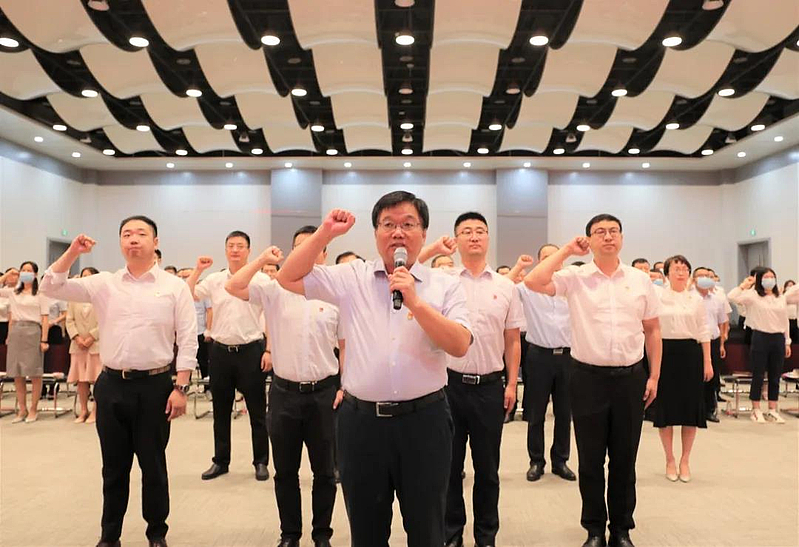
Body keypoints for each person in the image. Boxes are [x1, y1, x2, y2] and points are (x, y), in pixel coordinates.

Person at [276, 191, 473, 547]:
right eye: (388, 224)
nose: (398, 232)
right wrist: (325, 233)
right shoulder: (353, 276)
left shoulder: (445, 284)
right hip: (362, 424)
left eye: (408, 224)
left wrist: (415, 302)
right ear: (376, 233)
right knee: (366, 531)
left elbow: (459, 344)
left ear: (424, 233)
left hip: (425, 423)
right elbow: (287, 277)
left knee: (428, 529)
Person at [40, 216, 197, 547]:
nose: (133, 239)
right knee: (113, 468)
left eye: (141, 234)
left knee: (153, 466)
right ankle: (110, 536)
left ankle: (157, 533)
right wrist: (73, 252)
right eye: (126, 234)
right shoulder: (104, 283)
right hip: (111, 385)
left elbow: (187, 339)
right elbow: (50, 286)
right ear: (120, 243)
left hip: (155, 387)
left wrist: (181, 387)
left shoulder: (174, 287)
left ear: (155, 242)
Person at [524, 214, 662, 547]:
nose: (608, 236)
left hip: (630, 377)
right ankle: (595, 529)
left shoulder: (639, 280)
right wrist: (566, 251)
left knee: (625, 459)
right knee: (590, 459)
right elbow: (534, 281)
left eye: (614, 231)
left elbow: (653, 329)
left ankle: (622, 529)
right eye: (600, 232)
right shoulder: (576, 276)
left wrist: (655, 375)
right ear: (590, 240)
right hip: (587, 378)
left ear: (622, 238)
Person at [226, 225, 341, 547]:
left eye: (314, 245)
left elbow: (346, 345)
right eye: (300, 246)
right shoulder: (273, 289)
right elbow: (233, 285)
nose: (307, 251)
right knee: (286, 471)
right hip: (284, 394)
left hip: (324, 393)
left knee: (324, 472)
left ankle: (321, 534)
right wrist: (262, 258)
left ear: (324, 253)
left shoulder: (334, 293)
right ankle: (290, 534)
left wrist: (345, 386)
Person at [418, 212, 524, 547]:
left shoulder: (506, 287)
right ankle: (452, 534)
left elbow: (512, 339)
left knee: (488, 469)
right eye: (466, 231)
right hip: (448, 386)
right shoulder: (443, 280)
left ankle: (486, 535)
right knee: (448, 467)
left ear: (488, 238)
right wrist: (434, 249)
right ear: (456, 240)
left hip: (490, 387)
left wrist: (511, 384)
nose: (474, 236)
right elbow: (409, 269)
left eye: (480, 231)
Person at [187, 231, 270, 482]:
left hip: (251, 350)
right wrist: (198, 270)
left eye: (240, 246)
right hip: (221, 351)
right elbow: (188, 293)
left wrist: (269, 350)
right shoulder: (214, 279)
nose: (235, 250)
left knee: (257, 411)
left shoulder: (262, 279)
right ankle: (220, 461)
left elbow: (273, 316)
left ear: (249, 250)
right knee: (220, 410)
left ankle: (261, 461)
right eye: (231, 246)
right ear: (225, 250)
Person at [516, 244, 576, 483]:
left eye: (555, 257)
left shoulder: (572, 286)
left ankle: (560, 460)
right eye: (545, 257)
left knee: (564, 411)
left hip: (569, 357)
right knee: (536, 412)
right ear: (540, 261)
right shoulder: (528, 287)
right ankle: (536, 461)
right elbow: (503, 288)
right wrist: (519, 267)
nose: (551, 261)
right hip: (538, 356)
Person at [651, 256, 712, 483]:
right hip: (665, 353)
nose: (681, 272)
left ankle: (685, 460)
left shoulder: (695, 299)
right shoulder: (658, 296)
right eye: (676, 268)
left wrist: (707, 361)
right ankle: (669, 459)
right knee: (666, 410)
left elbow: (704, 330)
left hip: (690, 354)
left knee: (690, 410)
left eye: (685, 269)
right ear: (667, 273)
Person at [728, 269, 795, 424]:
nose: (769, 280)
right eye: (766, 277)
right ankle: (756, 409)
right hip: (760, 336)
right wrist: (744, 285)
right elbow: (731, 297)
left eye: (772, 277)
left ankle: (772, 409)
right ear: (759, 280)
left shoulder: (780, 298)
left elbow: (784, 320)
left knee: (775, 375)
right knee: (758, 374)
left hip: (778, 337)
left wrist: (787, 341)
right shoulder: (753, 295)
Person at [0, 263, 50, 423]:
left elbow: (45, 318)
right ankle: (22, 409)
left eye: (29, 271)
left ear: (35, 274)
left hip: (33, 330)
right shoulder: (13, 292)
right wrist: (8, 275)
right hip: (16, 331)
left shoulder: (41, 293)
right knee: (17, 372)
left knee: (34, 372)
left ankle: (33, 408)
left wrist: (44, 339)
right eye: (23, 270)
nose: (26, 273)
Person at [692, 266, 731, 422]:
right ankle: (695, 409)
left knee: (711, 377)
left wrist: (721, 344)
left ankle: (710, 409)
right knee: (695, 376)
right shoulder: (689, 297)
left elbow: (722, 322)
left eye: (707, 276)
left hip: (713, 341)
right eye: (700, 276)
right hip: (695, 341)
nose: (705, 278)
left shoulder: (717, 299)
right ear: (694, 279)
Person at [66, 267, 103, 424]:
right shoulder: (74, 298)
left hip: (96, 344)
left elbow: (105, 320)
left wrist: (92, 337)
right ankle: (83, 410)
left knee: (97, 379)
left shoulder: (102, 297)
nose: (85, 278)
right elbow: (69, 320)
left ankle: (96, 411)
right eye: (83, 276)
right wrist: (77, 337)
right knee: (81, 379)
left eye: (89, 276)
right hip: (78, 345)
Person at [176, 268, 213, 385]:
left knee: (203, 360)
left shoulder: (201, 292)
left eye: (187, 276)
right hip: (183, 332)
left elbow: (210, 310)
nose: (184, 279)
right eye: (181, 277)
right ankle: (184, 385)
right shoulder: (177, 293)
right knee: (184, 361)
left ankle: (207, 387)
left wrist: (208, 330)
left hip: (200, 331)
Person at [0, 267, 19, 344]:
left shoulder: (20, 290)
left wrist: (9, 334)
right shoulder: (3, 290)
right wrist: (8, 273)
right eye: (9, 275)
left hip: (11, 324)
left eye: (14, 275)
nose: (11, 277)